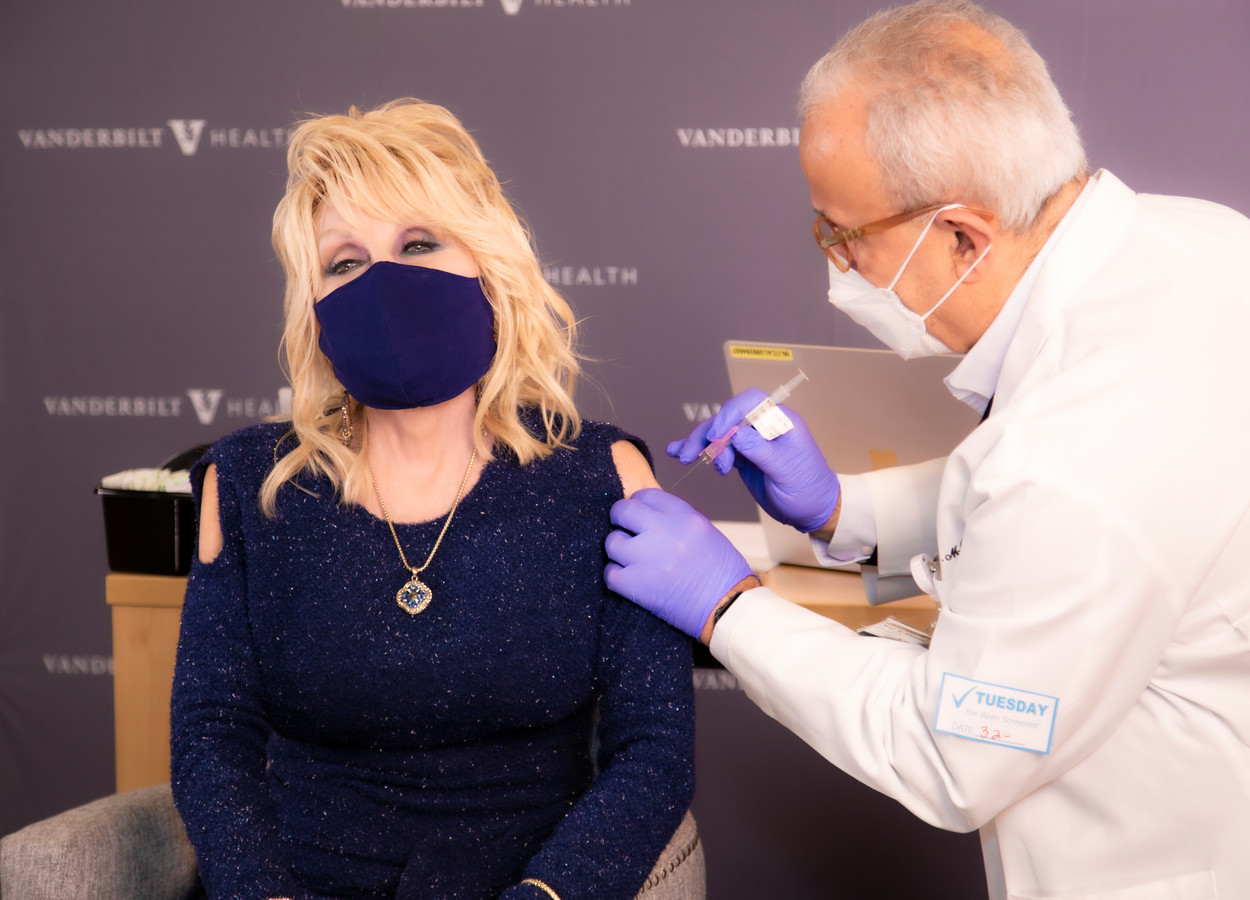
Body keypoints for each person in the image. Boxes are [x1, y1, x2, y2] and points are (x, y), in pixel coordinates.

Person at [604, 1, 1250, 897]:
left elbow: (951, 750)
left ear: (961, 236)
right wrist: (845, 512)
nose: (836, 268)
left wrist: (730, 608)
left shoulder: (1068, 463)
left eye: (843, 235)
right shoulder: (1203, 242)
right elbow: (1061, 524)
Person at [170, 98, 695, 900]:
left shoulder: (600, 474)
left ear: (488, 264)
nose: (383, 283)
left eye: (418, 244)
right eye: (344, 263)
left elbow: (655, 753)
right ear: (314, 310)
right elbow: (211, 738)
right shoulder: (247, 483)